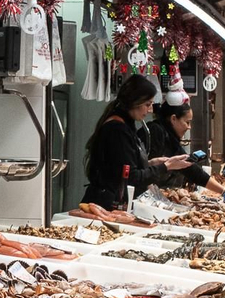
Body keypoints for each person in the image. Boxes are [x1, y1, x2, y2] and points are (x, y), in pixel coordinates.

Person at [81, 75, 194, 208]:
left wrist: (151, 163)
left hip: (114, 202)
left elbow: (124, 166)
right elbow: (131, 176)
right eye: (147, 104)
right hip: (103, 205)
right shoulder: (117, 130)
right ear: (135, 102)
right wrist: (165, 167)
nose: (149, 109)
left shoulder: (126, 125)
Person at [144, 98, 225, 203]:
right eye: (187, 122)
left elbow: (193, 170)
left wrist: (224, 192)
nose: (189, 127)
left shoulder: (171, 139)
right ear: (173, 119)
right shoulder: (156, 132)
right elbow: (146, 172)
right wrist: (153, 200)